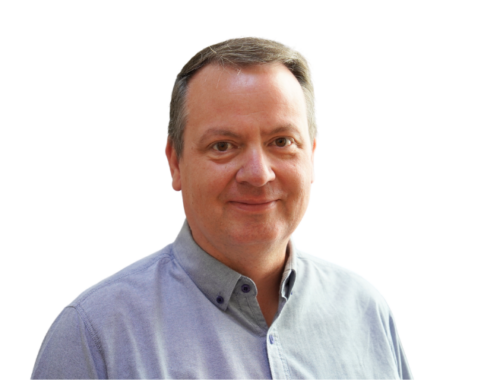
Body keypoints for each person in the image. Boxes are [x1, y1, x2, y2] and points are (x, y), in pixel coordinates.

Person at [32, 37, 412, 379]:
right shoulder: (94, 338)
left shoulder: (366, 313)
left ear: (311, 156)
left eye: (282, 141)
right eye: (223, 146)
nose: (258, 174)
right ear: (175, 162)